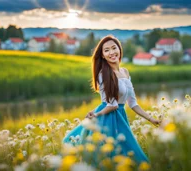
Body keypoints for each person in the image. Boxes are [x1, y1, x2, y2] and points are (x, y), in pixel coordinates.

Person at [63, 35, 161, 165]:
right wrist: (97, 115)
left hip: (120, 117)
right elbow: (112, 105)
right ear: (103, 55)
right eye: (107, 50)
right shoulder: (103, 74)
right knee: (108, 156)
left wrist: (151, 119)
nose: (111, 52)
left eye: (114, 48)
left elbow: (132, 103)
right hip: (107, 118)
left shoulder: (125, 72)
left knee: (128, 155)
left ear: (119, 49)